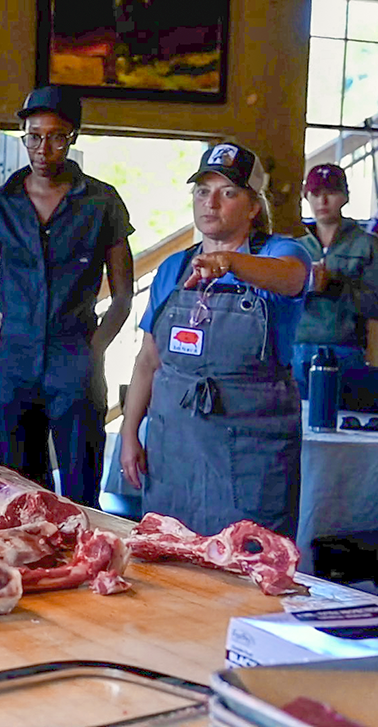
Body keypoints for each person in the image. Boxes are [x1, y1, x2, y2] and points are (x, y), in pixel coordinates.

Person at [119, 142, 311, 537]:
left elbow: (293, 277)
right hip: (175, 451)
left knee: (248, 566)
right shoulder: (174, 268)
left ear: (253, 206)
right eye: (203, 191)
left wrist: (229, 262)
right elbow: (148, 361)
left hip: (251, 456)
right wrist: (128, 434)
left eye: (229, 192)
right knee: (171, 563)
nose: (212, 203)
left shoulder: (281, 253)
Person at [0, 86, 134, 508]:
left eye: (56, 137)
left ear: (73, 137)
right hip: (15, 362)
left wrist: (92, 352)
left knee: (82, 493)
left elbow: (122, 296)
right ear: (23, 135)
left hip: (74, 359)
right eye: (34, 136)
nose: (43, 148)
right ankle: (31, 572)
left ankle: (86, 568)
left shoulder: (101, 202)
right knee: (20, 495)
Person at [291, 163, 378, 396]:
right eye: (316, 194)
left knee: (343, 422)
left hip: (347, 351)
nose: (323, 201)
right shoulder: (294, 247)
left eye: (331, 192)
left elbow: (375, 304)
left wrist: (334, 284)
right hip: (296, 350)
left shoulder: (367, 245)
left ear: (345, 197)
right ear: (306, 196)